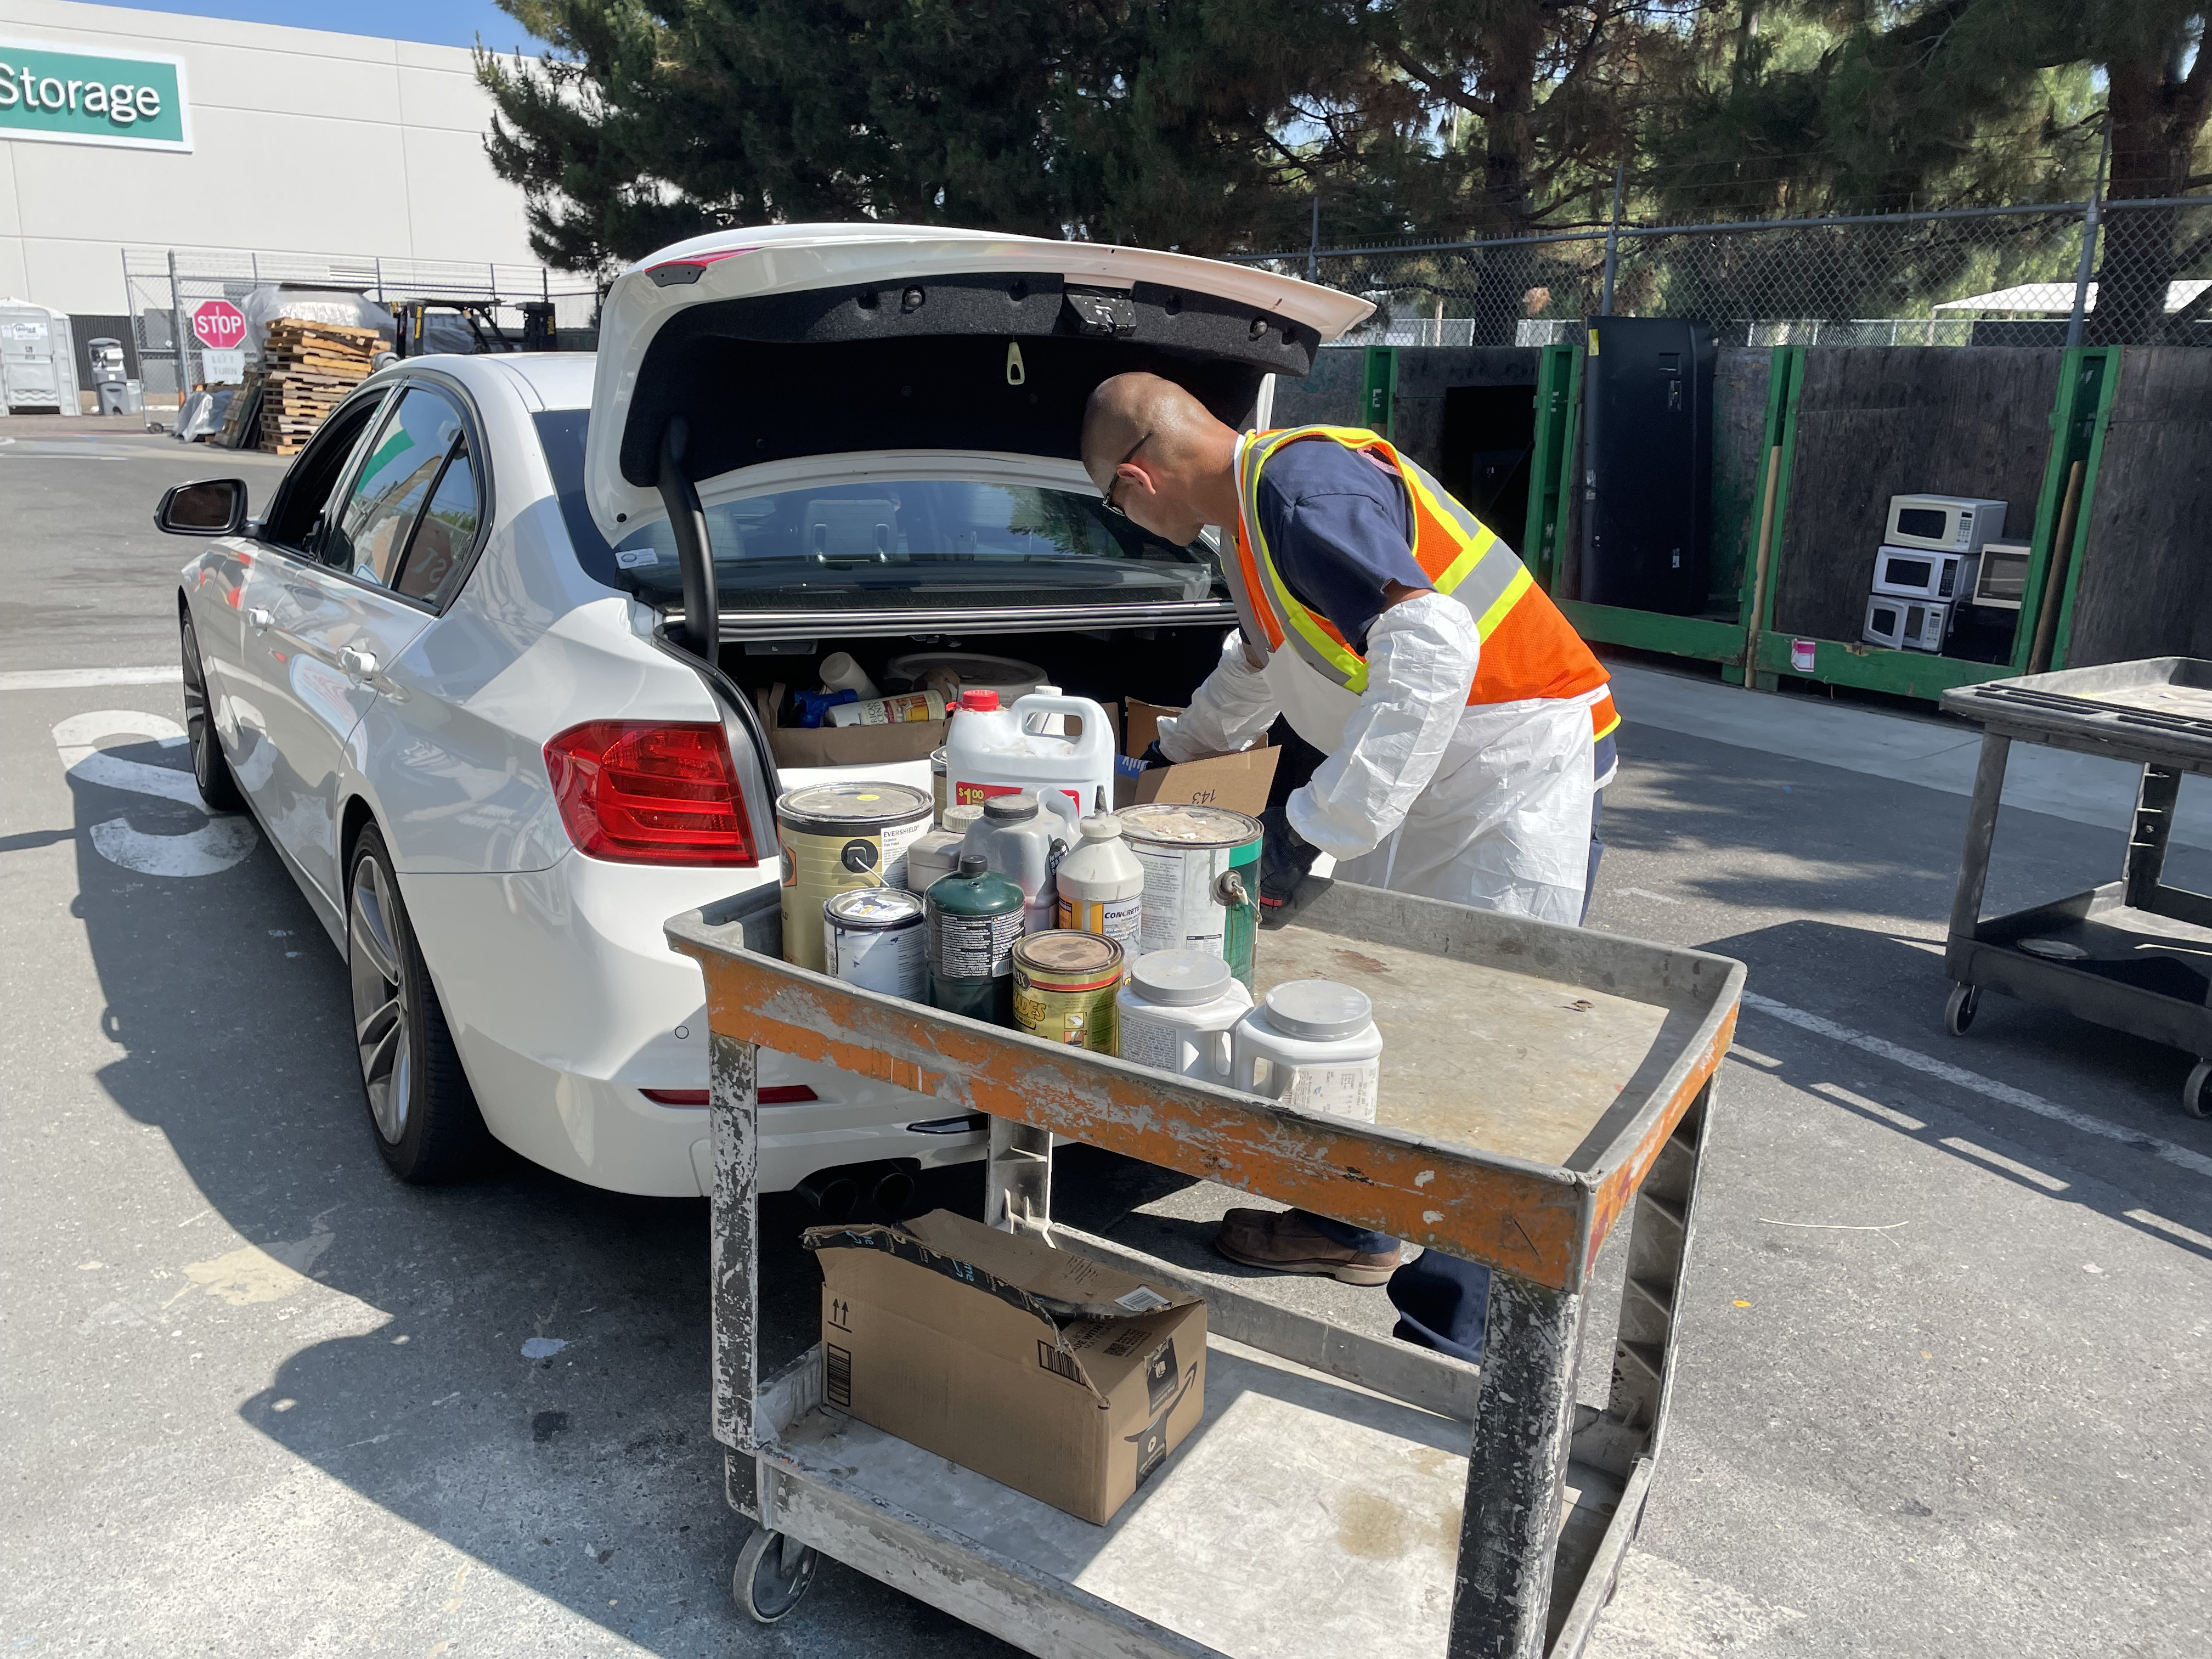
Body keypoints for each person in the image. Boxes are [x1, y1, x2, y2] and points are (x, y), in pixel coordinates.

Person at [1081, 372, 1619, 1364]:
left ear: (1136, 477)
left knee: (1485, 1043)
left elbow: (1432, 640)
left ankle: (1456, 1343)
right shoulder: (1247, 524)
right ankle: (1355, 1225)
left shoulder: (1300, 488)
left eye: (1111, 502)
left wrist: (1311, 830)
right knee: (1371, 1012)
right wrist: (1166, 762)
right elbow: (1257, 668)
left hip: (1514, 773)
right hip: (1429, 768)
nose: (1127, 521)